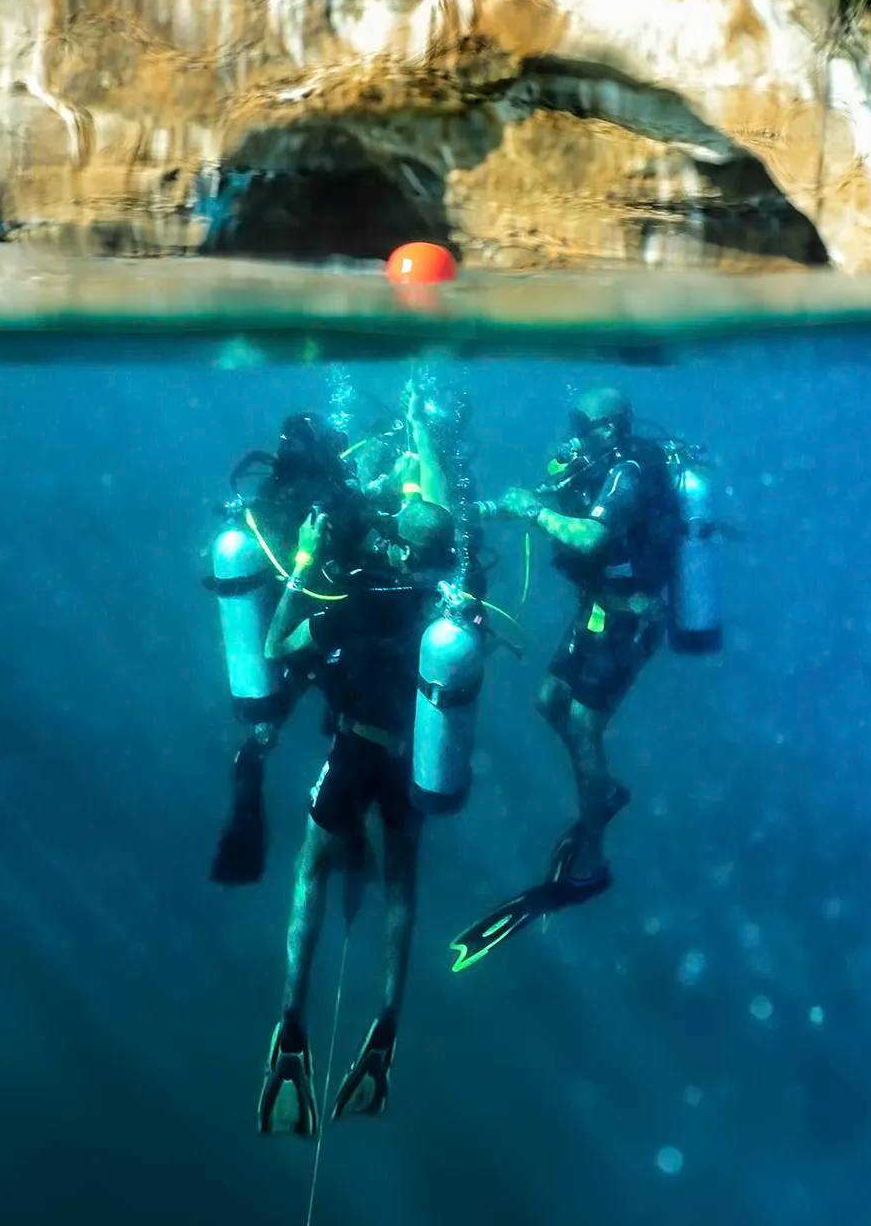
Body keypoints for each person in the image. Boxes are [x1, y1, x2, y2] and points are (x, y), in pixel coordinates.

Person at [452, 385, 680, 970]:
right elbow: (543, 500)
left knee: (582, 725)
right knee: (550, 701)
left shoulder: (629, 473)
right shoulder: (598, 468)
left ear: (613, 427)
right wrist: (480, 512)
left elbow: (591, 536)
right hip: (598, 611)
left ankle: (592, 865)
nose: (577, 436)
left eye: (587, 426)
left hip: (630, 619)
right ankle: (603, 790)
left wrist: (534, 512)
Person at [257, 494, 457, 1136]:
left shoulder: (357, 596)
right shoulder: (449, 607)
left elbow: (275, 647)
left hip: (354, 752)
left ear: (400, 542)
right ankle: (387, 1021)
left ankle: (292, 1023)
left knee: (311, 869)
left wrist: (303, 562)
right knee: (401, 880)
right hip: (412, 760)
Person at [209, 411, 370, 887]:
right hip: (320, 630)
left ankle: (249, 793)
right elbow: (359, 542)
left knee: (269, 722)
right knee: (349, 724)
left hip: (279, 624)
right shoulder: (333, 493)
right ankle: (344, 828)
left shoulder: (269, 491)